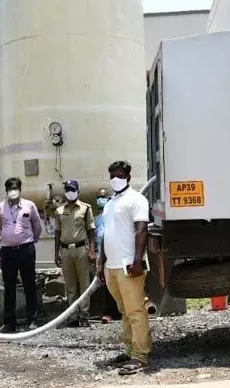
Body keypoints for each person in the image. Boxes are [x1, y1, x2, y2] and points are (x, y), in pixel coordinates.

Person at [97, 160, 152, 375]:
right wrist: (101, 263)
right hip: (111, 266)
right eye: (111, 175)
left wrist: (138, 260)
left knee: (136, 310)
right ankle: (130, 349)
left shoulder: (136, 200)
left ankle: (140, 356)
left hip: (128, 265)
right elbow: (105, 234)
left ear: (128, 176)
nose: (114, 179)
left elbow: (141, 231)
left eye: (119, 175)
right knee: (124, 311)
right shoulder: (110, 203)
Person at [0, 177, 42, 332]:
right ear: (6, 191)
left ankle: (32, 320)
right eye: (10, 189)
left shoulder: (30, 205)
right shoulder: (0, 208)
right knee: (9, 286)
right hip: (7, 251)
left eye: (15, 189)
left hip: (26, 249)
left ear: (20, 190)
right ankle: (9, 323)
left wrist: (30, 240)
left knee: (29, 284)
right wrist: (8, 239)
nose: (13, 192)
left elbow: (37, 226)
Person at [53, 180, 95, 327]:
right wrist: (56, 252)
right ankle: (73, 315)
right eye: (68, 190)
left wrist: (92, 251)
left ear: (77, 191)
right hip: (65, 250)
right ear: (65, 192)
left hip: (81, 249)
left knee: (84, 283)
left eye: (73, 190)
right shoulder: (59, 211)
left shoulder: (85, 208)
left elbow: (91, 231)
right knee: (70, 285)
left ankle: (84, 315)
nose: (70, 192)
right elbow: (57, 233)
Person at [93, 189, 121, 323]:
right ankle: (108, 311)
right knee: (105, 284)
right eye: (99, 197)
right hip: (101, 254)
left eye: (104, 197)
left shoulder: (114, 216)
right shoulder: (96, 219)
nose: (101, 200)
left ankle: (119, 310)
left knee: (119, 282)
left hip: (115, 253)